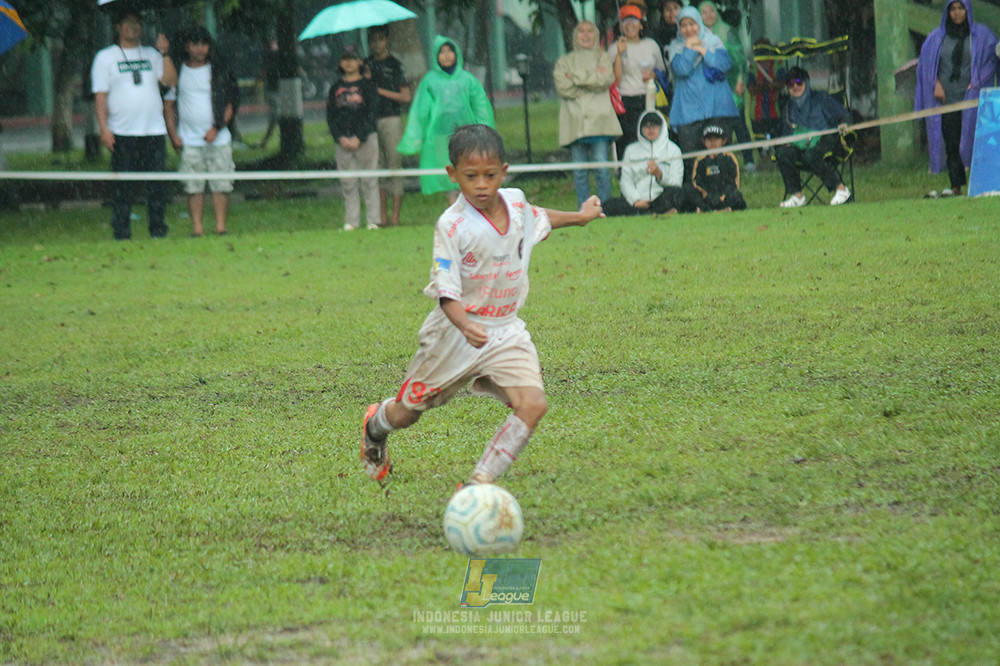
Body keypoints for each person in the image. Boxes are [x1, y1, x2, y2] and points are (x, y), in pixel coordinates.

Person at [359, 124, 604, 486]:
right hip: (454, 334)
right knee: (407, 412)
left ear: (504, 172)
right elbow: (446, 293)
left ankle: (478, 485)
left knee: (533, 405)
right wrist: (463, 325)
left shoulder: (516, 202)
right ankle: (374, 428)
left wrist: (580, 218)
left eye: (490, 175)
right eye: (470, 176)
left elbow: (537, 217)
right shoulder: (452, 225)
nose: (481, 185)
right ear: (452, 175)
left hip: (505, 331)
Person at [90, 8, 177, 240]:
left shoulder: (152, 55)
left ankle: (158, 229)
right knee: (123, 187)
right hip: (122, 133)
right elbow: (100, 97)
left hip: (153, 130)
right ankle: (122, 232)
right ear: (118, 27)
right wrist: (104, 129)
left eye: (137, 23)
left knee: (157, 186)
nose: (133, 27)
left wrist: (165, 53)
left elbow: (169, 81)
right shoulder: (105, 58)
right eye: (128, 23)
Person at [914, 0, 998, 197]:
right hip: (946, 101)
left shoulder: (982, 36)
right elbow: (925, 65)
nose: (957, 13)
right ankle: (956, 186)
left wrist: (978, 81)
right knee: (952, 144)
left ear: (967, 11)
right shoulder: (937, 38)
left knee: (973, 141)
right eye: (953, 9)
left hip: (972, 100)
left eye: (961, 8)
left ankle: (980, 184)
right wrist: (935, 84)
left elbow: (992, 60)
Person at [398, 36, 495, 204]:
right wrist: (414, 139)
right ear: (436, 56)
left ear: (456, 53)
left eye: (450, 50)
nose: (446, 55)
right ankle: (457, 214)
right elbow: (420, 112)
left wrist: (486, 133)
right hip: (440, 139)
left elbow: (481, 107)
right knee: (449, 177)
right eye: (442, 52)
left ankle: (470, 212)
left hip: (467, 138)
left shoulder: (468, 80)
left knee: (468, 172)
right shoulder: (429, 81)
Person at [164, 25, 239, 237]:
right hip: (189, 139)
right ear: (187, 46)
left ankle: (221, 227)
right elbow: (168, 105)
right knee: (193, 185)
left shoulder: (219, 70)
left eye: (203, 44)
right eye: (194, 44)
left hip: (219, 138)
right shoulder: (177, 71)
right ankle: (197, 228)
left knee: (221, 183)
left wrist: (217, 127)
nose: (199, 49)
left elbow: (230, 104)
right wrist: (173, 135)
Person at [554, 20, 622, 207]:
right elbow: (563, 88)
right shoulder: (564, 61)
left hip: (600, 121)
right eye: (581, 31)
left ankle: (606, 206)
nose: (585, 35)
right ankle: (583, 208)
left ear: (596, 35)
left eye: (590, 31)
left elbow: (605, 79)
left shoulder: (603, 58)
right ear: (575, 35)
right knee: (580, 170)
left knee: (601, 167)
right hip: (575, 122)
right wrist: (591, 81)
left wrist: (574, 77)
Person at [666, 6, 739, 177]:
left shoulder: (713, 41)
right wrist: (690, 49)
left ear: (699, 23)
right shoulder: (675, 47)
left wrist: (704, 51)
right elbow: (682, 69)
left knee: (720, 156)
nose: (688, 29)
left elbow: (725, 65)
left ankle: (725, 193)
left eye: (692, 24)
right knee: (692, 158)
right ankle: (696, 195)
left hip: (717, 107)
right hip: (688, 110)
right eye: (683, 25)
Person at [773, 66, 852, 207]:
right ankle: (797, 195)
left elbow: (844, 115)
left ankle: (840, 189)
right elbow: (787, 133)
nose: (795, 86)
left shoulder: (821, 98)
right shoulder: (787, 107)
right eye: (790, 84)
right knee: (782, 153)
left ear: (806, 82)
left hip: (826, 140)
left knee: (810, 156)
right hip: (801, 143)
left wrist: (844, 124)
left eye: (799, 82)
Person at [327, 46, 381, 230]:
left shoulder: (368, 86)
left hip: (366, 138)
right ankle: (351, 221)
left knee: (370, 180)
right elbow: (331, 115)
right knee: (348, 182)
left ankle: (373, 220)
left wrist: (359, 136)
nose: (349, 62)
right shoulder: (335, 88)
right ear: (341, 63)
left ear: (360, 62)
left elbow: (372, 113)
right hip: (343, 140)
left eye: (353, 58)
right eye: (345, 59)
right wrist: (340, 137)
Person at [698, 1, 754, 170]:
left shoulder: (727, 31)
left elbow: (740, 59)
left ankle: (749, 159)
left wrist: (740, 79)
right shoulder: (697, 35)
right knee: (715, 125)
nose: (708, 16)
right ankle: (720, 160)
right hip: (710, 87)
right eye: (704, 13)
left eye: (711, 11)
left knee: (737, 123)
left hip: (731, 85)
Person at [365, 26, 412, 227]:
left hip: (391, 119)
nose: (377, 43)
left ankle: (395, 216)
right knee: (378, 168)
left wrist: (380, 91)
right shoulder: (365, 65)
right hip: (371, 121)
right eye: (373, 40)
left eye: (380, 39)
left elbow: (405, 96)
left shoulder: (394, 65)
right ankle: (382, 215)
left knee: (394, 166)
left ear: (387, 41)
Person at [608, 4, 666, 158]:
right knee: (627, 141)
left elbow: (662, 72)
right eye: (625, 21)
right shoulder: (614, 48)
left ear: (641, 24)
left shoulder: (651, 45)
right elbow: (615, 80)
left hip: (648, 97)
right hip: (625, 100)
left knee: (650, 138)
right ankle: (625, 175)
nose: (629, 25)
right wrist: (620, 55)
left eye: (634, 20)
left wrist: (653, 75)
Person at [603, 110, 683, 217]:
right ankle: (651, 212)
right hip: (638, 201)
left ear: (662, 127)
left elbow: (677, 183)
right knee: (609, 205)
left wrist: (660, 175)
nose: (651, 129)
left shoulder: (673, 150)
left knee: (679, 193)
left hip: (662, 198)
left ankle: (652, 211)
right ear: (641, 128)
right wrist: (636, 200)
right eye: (647, 126)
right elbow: (626, 181)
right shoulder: (631, 150)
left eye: (655, 125)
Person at [683, 123, 746, 211]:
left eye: (716, 138)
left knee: (736, 196)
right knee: (687, 190)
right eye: (709, 139)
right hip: (706, 198)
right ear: (703, 141)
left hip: (724, 198)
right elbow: (696, 182)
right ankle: (707, 209)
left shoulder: (729, 157)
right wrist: (708, 195)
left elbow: (734, 182)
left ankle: (723, 208)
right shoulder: (701, 160)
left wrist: (721, 197)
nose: (713, 143)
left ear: (723, 140)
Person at [746, 37, 785, 155]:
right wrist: (767, 85)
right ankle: (764, 159)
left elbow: (782, 84)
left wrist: (769, 84)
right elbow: (751, 88)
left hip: (775, 110)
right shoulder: (752, 67)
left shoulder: (778, 63)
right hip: (757, 112)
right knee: (761, 143)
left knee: (776, 141)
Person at [256, 39, 280, 149]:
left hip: (280, 91)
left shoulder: (280, 56)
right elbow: (263, 72)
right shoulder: (269, 57)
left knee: (277, 116)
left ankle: (267, 140)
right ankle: (266, 139)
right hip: (273, 91)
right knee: (276, 115)